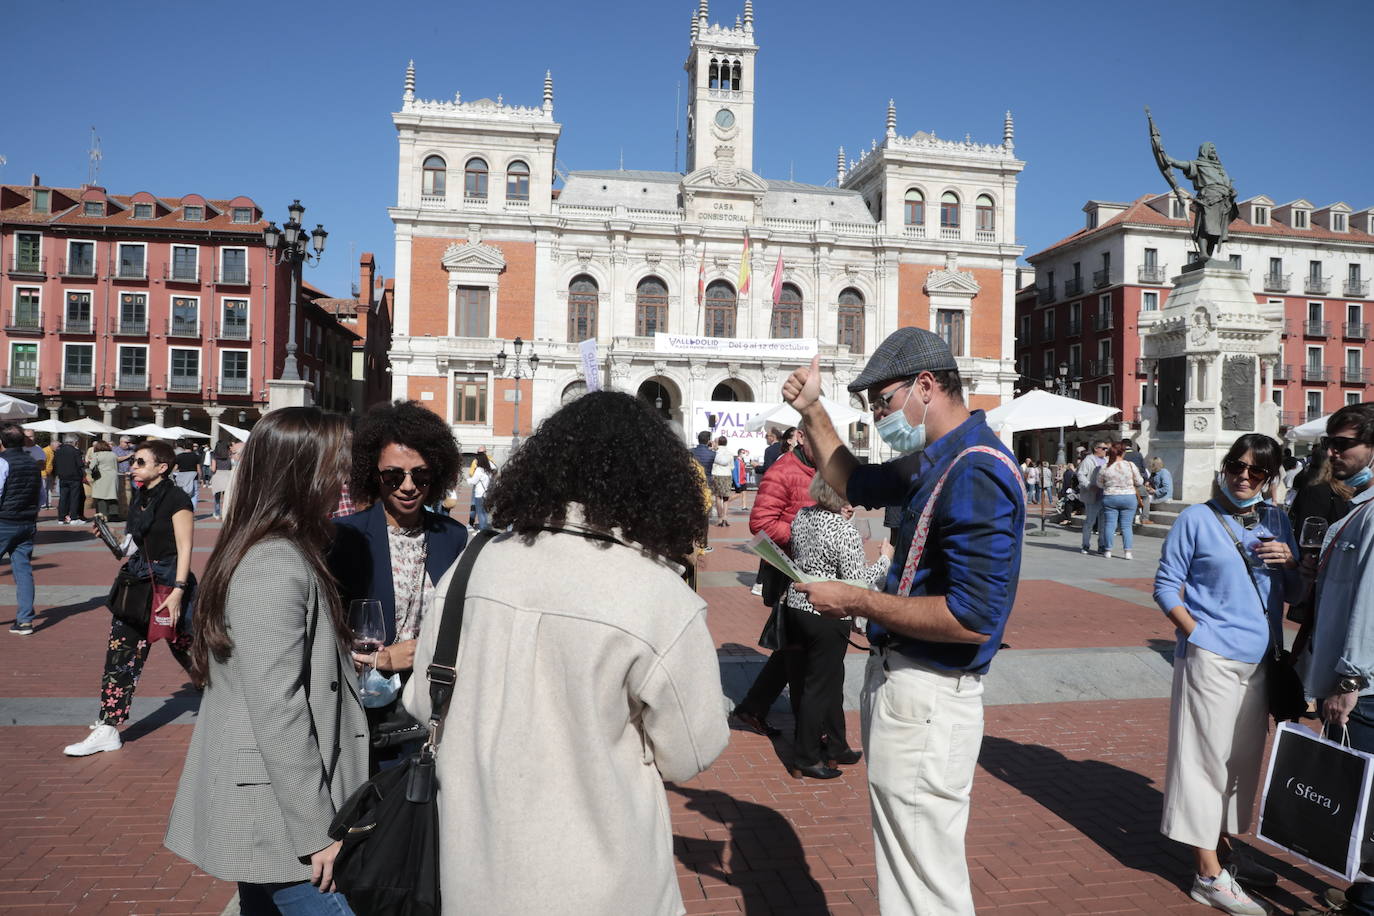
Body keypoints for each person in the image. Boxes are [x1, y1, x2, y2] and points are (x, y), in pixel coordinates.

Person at [401, 391, 728, 915]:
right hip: (604, 882)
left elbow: (423, 699)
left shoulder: (474, 563)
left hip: (473, 875)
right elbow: (692, 751)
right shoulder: (658, 594)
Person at [783, 327, 1025, 915]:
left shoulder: (976, 470)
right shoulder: (934, 458)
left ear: (925, 386)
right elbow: (852, 480)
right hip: (904, 686)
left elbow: (973, 618)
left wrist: (858, 601)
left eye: (883, 402)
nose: (879, 416)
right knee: (907, 864)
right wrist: (812, 408)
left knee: (925, 879)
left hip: (931, 693)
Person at [165, 407, 367, 915]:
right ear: (300, 472)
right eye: (335, 463)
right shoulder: (275, 562)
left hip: (272, 808)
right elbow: (279, 708)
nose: (343, 476)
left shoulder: (269, 548)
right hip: (282, 816)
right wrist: (317, 829)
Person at [1153, 433, 1301, 916]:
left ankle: (1226, 853)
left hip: (1259, 661)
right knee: (1203, 762)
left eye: (1256, 472)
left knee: (1239, 764)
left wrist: (1292, 564)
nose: (1243, 476)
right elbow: (1166, 586)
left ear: (1270, 478)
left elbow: (1296, 594)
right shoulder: (1195, 518)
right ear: (1225, 465)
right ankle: (1207, 874)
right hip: (1210, 658)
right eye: (1236, 466)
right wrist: (1198, 634)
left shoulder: (1278, 520)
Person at [330, 400, 466, 769]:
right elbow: (327, 632)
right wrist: (383, 658)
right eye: (394, 476)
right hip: (366, 711)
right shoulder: (345, 537)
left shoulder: (453, 537)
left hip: (436, 707)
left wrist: (422, 651)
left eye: (420, 476)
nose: (408, 486)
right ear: (373, 475)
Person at [1293, 404, 1374, 916]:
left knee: (1364, 804)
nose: (1332, 452)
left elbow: (1370, 600)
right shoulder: (1357, 504)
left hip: (1363, 688)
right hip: (1356, 678)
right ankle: (1364, 893)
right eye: (1330, 442)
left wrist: (1350, 679)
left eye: (1343, 443)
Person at [63, 440, 195, 756]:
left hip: (167, 586)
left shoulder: (177, 499)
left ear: (162, 468)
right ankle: (109, 726)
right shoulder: (141, 498)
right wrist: (111, 542)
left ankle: (232, 704)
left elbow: (185, 547)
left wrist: (178, 591)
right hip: (136, 584)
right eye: (133, 461)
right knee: (121, 653)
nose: (132, 466)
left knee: (193, 653)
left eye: (139, 462)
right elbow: (131, 546)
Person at [782, 474, 891, 779]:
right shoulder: (845, 531)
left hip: (798, 605)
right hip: (828, 614)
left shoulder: (802, 516)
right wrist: (885, 560)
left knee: (827, 681)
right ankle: (805, 756)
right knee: (819, 686)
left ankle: (837, 745)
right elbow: (860, 583)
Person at [732, 426, 817, 738]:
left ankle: (753, 708)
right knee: (797, 646)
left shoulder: (822, 468)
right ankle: (809, 728)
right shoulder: (782, 470)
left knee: (793, 647)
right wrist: (809, 535)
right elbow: (761, 523)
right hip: (788, 568)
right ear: (802, 437)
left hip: (812, 568)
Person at [1, 425, 41, 636]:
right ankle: (25, 620)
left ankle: (25, 620)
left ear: (3, 442)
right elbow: (41, 495)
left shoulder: (2, 462)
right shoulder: (33, 463)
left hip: (4, 521)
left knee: (23, 570)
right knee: (23, 571)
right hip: (27, 522)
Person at [1098, 441, 1145, 559]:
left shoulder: (1105, 466)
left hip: (1110, 497)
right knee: (1126, 526)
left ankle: (1108, 550)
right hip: (1128, 497)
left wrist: (1109, 486)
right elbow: (1139, 482)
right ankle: (1128, 552)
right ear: (1122, 452)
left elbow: (1099, 483)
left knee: (1110, 524)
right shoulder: (1130, 465)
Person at [1076, 440, 1109, 554]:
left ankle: (1102, 545)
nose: (1106, 450)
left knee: (1103, 522)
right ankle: (1085, 544)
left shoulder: (1107, 460)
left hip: (1105, 496)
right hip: (1092, 495)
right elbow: (1080, 474)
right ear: (1096, 448)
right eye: (1104, 448)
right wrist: (1089, 485)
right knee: (1090, 521)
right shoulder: (1088, 460)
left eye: (1106, 449)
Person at [53, 434, 85, 524]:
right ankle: (74, 517)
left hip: (62, 477)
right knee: (74, 497)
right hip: (74, 477)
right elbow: (80, 464)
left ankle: (61, 518)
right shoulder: (75, 451)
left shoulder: (58, 451)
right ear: (74, 442)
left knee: (63, 498)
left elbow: (54, 464)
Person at [87, 440, 119, 519]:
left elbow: (91, 467)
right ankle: (114, 515)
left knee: (101, 496)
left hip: (101, 477)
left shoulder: (97, 454)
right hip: (113, 476)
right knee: (112, 496)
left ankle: (103, 515)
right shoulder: (113, 454)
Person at [466, 451, 495, 530]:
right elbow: (495, 468)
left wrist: (467, 480)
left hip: (479, 494)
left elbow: (474, 481)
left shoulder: (479, 470)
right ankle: (485, 528)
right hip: (486, 493)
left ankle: (483, 530)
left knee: (480, 513)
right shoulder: (488, 469)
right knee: (485, 513)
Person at [709, 435, 733, 526]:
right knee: (726, 498)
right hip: (727, 475)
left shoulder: (715, 452)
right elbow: (732, 466)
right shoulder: (730, 452)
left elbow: (714, 462)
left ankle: (719, 518)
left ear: (718, 443)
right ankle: (725, 518)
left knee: (718, 497)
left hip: (717, 474)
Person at [113, 435, 135, 520]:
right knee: (120, 495)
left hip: (129, 475)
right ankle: (121, 513)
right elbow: (116, 459)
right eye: (126, 442)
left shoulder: (131, 450)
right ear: (121, 442)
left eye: (129, 443)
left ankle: (128, 513)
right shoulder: (115, 449)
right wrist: (128, 456)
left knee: (131, 494)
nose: (128, 444)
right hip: (119, 474)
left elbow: (133, 462)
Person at [209, 442, 232, 520]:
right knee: (227, 497)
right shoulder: (229, 455)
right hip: (227, 476)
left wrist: (210, 468)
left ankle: (217, 513)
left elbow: (213, 469)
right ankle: (227, 513)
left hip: (218, 476)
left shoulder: (214, 456)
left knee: (217, 498)